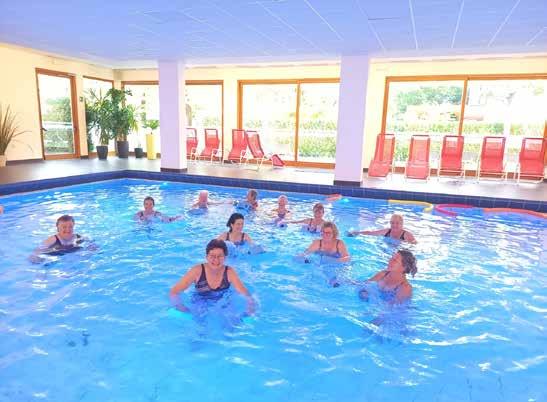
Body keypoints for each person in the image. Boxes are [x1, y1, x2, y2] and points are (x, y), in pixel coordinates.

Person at [169, 239, 255, 315]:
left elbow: (246, 294)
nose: (216, 260)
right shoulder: (197, 271)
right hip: (200, 300)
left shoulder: (229, 272)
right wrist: (181, 308)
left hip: (222, 300)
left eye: (220, 256)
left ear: (225, 257)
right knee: (200, 321)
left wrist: (250, 309)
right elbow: (174, 292)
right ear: (207, 257)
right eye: (212, 256)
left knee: (232, 321)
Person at [348, 214, 416, 244]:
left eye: (397, 223)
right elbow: (371, 233)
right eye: (392, 223)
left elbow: (414, 245)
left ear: (402, 224)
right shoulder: (387, 231)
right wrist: (358, 232)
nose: (394, 225)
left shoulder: (407, 235)